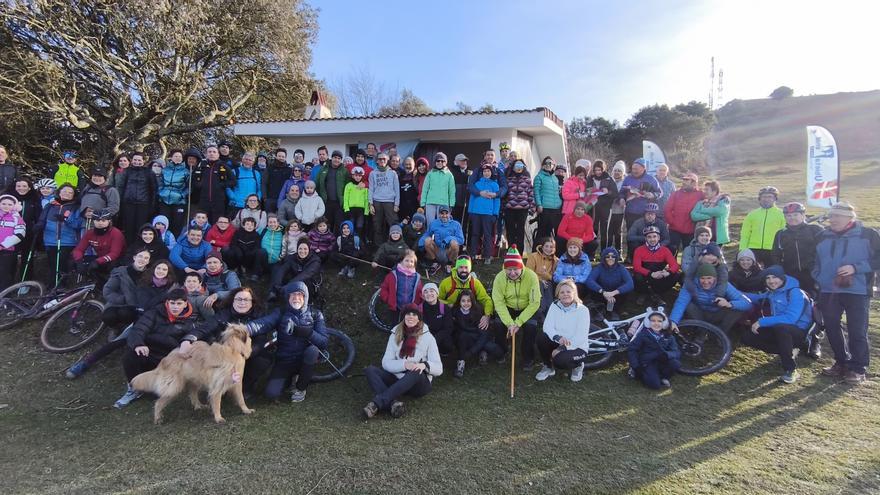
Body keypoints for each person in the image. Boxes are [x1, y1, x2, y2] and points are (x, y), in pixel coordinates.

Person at [66, 253, 177, 379]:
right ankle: (85, 363)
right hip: (142, 321)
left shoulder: (172, 287)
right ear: (153, 269)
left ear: (168, 272)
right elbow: (144, 305)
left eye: (164, 269)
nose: (161, 271)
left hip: (161, 323)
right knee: (116, 342)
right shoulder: (144, 284)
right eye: (158, 268)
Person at [813, 202, 879, 384]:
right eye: (831, 216)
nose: (832, 219)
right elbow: (815, 260)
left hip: (857, 291)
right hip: (829, 290)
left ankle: (858, 368)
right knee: (832, 327)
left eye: (837, 216)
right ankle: (841, 362)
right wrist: (818, 276)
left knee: (857, 330)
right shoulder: (822, 236)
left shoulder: (868, 235)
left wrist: (855, 268)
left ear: (850, 218)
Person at [114, 288, 209, 408]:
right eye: (172, 303)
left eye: (179, 303)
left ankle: (153, 386)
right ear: (167, 302)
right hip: (147, 351)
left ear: (185, 304)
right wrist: (139, 344)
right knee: (130, 356)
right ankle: (133, 389)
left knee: (156, 393)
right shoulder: (154, 313)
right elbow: (139, 329)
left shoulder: (191, 323)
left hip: (167, 359)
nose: (175, 307)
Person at [245, 281, 328, 402]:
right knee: (271, 394)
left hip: (304, 361)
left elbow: (324, 342)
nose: (296, 298)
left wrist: (309, 333)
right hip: (284, 361)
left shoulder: (316, 314)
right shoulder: (280, 312)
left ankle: (301, 388)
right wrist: (245, 329)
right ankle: (290, 379)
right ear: (288, 297)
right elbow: (263, 323)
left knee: (313, 351)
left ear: (305, 297)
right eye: (292, 295)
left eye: (300, 295)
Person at [362, 304, 442, 420]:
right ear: (403, 316)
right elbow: (386, 362)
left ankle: (377, 403)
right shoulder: (395, 334)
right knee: (370, 370)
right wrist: (404, 364)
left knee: (416, 369)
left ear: (419, 318)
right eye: (408, 314)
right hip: (398, 377)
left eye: (414, 314)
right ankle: (393, 404)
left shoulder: (428, 337)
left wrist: (423, 365)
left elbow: (439, 368)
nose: (411, 317)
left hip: (418, 384)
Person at [741, 265, 814, 384]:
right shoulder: (773, 292)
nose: (771, 281)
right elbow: (756, 298)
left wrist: (761, 321)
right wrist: (732, 291)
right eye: (768, 278)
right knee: (747, 337)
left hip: (799, 332)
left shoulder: (795, 292)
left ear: (782, 278)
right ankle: (789, 350)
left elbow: (791, 318)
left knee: (781, 328)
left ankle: (791, 369)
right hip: (780, 330)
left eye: (774, 277)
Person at [198, 287, 270, 395]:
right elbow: (206, 328)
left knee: (263, 360)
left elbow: (261, 340)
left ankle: (246, 386)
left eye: (246, 300)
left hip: (248, 353)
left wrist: (245, 353)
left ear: (252, 302)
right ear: (233, 301)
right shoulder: (223, 314)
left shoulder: (259, 315)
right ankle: (222, 384)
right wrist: (188, 339)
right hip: (224, 353)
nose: (242, 302)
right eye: (238, 299)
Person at [491, 246, 542, 370]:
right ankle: (502, 351)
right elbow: (498, 302)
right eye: (509, 269)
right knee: (498, 324)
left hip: (527, 307)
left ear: (521, 267)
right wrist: (509, 323)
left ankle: (527, 358)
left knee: (531, 327)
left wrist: (518, 322)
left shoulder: (531, 276)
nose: (512, 273)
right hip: (508, 307)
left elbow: (535, 302)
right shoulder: (499, 278)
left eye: (515, 269)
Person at [533, 279, 591, 382]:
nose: (565, 294)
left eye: (568, 291)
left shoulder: (583, 310)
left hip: (577, 347)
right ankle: (548, 366)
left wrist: (562, 348)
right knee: (541, 337)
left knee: (560, 361)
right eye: (562, 292)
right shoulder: (554, 306)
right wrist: (557, 337)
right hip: (559, 341)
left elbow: (580, 337)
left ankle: (578, 365)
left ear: (574, 293)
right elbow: (547, 326)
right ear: (558, 295)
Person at [669, 263, 751, 334]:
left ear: (715, 278)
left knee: (737, 309)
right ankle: (701, 331)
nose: (706, 282)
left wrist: (729, 304)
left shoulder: (724, 285)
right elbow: (681, 303)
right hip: (699, 313)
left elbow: (747, 303)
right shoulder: (690, 284)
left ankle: (721, 333)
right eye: (702, 278)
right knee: (688, 305)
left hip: (718, 313)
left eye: (709, 278)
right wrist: (673, 321)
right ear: (698, 278)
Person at [35, 183, 82, 286]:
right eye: (64, 191)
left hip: (67, 241)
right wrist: (38, 226)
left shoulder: (75, 207)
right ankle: (52, 286)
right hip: (50, 240)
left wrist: (66, 220)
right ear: (59, 192)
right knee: (52, 264)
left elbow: (78, 224)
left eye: (70, 192)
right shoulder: (50, 205)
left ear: (74, 195)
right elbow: (42, 219)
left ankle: (61, 286)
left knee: (62, 265)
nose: (67, 194)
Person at [772, 202, 823, 293]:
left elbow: (825, 251)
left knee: (818, 301)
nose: (792, 218)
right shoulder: (780, 234)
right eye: (788, 216)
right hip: (791, 275)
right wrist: (781, 273)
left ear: (803, 215)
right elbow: (776, 255)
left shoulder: (815, 229)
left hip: (814, 274)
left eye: (795, 215)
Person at [451, 289, 501, 377]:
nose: (466, 303)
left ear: (472, 301)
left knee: (497, 351)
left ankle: (482, 351)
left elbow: (483, 335)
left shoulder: (478, 311)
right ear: (459, 302)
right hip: (464, 338)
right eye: (463, 301)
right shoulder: (455, 312)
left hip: (479, 337)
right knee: (463, 336)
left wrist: (471, 352)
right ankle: (461, 363)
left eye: (468, 301)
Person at [627, 308, 681, 389]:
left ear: (664, 323)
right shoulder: (643, 334)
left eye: (659, 321)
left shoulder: (669, 336)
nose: (656, 323)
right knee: (655, 385)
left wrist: (667, 355)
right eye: (653, 321)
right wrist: (636, 366)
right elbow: (632, 349)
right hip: (647, 362)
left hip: (661, 361)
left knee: (675, 363)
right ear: (648, 322)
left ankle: (662, 376)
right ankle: (639, 373)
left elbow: (676, 352)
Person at [71, 208, 125, 280]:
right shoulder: (90, 233)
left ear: (109, 221)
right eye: (97, 220)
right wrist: (79, 261)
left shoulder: (116, 233)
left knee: (112, 265)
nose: (100, 223)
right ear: (93, 221)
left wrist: (97, 261)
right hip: (100, 258)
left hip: (117, 260)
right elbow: (79, 249)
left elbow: (114, 254)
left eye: (103, 220)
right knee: (73, 261)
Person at [115, 152, 158, 243]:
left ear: (143, 161)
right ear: (132, 160)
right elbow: (121, 187)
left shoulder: (149, 172)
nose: (137, 162)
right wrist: (121, 203)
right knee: (128, 227)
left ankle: (139, 247)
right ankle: (128, 249)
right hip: (128, 204)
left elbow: (153, 190)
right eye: (135, 160)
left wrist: (152, 206)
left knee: (140, 227)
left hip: (143, 204)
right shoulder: (127, 171)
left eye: (139, 160)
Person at [632, 226, 681, 303]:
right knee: (638, 276)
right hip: (646, 276)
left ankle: (657, 293)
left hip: (659, 275)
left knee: (676, 274)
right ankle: (643, 293)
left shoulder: (665, 250)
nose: (652, 239)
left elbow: (675, 265)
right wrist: (651, 274)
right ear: (645, 239)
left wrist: (668, 272)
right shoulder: (639, 250)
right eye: (649, 237)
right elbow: (636, 267)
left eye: (654, 236)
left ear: (658, 238)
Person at [739, 186, 785, 267]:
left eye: (770, 197)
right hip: (753, 249)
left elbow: (784, 234)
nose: (766, 199)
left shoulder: (782, 214)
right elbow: (745, 234)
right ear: (759, 198)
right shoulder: (752, 214)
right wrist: (742, 250)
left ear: (775, 199)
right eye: (764, 196)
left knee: (771, 274)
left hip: (773, 250)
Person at [585, 247, 633, 319]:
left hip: (616, 294)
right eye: (607, 256)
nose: (610, 258)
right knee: (592, 289)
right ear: (604, 258)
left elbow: (630, 283)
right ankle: (601, 309)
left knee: (626, 291)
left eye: (613, 256)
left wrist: (614, 292)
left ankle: (615, 311)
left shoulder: (621, 268)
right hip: (602, 293)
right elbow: (589, 280)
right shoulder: (599, 267)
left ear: (616, 258)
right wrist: (603, 292)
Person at [379, 249, 424, 323]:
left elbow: (420, 293)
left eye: (412, 261)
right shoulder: (392, 275)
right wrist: (388, 299)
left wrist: (419, 305)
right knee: (395, 327)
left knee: (409, 328)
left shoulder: (417, 278)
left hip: (411, 309)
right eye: (406, 260)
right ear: (400, 261)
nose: (409, 263)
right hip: (396, 308)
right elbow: (384, 289)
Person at [468, 164, 501, 262]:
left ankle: (487, 256)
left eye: (488, 171)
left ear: (491, 173)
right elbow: (472, 198)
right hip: (476, 212)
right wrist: (470, 211)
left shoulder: (495, 185)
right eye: (485, 171)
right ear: (482, 173)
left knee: (487, 235)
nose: (486, 173)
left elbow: (497, 200)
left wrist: (495, 214)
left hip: (488, 214)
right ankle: (473, 254)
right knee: (475, 234)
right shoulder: (477, 184)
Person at [664, 172, 703, 255]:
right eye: (683, 179)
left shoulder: (700, 194)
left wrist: (724, 197)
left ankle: (686, 268)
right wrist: (671, 222)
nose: (683, 182)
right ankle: (672, 267)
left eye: (686, 180)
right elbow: (668, 209)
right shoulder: (676, 193)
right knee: (672, 249)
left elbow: (712, 198)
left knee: (688, 251)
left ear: (694, 182)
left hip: (691, 230)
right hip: (674, 229)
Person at [621, 158, 662, 234]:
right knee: (631, 233)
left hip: (645, 213)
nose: (634, 171)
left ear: (643, 168)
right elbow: (622, 192)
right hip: (630, 212)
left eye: (636, 169)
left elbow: (659, 193)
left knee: (645, 234)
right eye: (633, 169)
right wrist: (622, 199)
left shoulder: (651, 179)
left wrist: (653, 195)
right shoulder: (628, 178)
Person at [196, 145, 236, 222]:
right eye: (209, 152)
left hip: (218, 202)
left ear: (218, 154)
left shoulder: (223, 166)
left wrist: (221, 185)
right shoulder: (201, 166)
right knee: (202, 224)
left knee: (216, 223)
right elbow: (194, 180)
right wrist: (200, 185)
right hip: (204, 201)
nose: (211, 154)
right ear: (206, 154)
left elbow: (233, 181)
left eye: (214, 152)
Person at [503, 159, 535, 254]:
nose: (518, 168)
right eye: (516, 166)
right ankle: (511, 251)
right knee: (510, 231)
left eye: (520, 166)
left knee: (520, 231)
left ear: (523, 168)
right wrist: (503, 206)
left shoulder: (527, 179)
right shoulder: (508, 179)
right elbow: (504, 194)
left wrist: (532, 207)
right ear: (513, 167)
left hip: (523, 209)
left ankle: (519, 253)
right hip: (509, 209)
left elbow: (531, 194)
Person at [420, 205, 464, 273]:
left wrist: (448, 239)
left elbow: (461, 240)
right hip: (437, 249)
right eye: (442, 213)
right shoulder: (434, 223)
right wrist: (421, 242)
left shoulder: (456, 224)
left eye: (446, 213)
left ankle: (449, 264)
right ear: (439, 214)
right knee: (427, 240)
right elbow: (427, 234)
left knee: (454, 243)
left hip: (449, 252)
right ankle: (435, 262)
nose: (444, 216)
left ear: (449, 213)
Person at [368, 153, 400, 245]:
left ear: (387, 161)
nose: (382, 161)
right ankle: (379, 247)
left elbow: (397, 190)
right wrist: (370, 204)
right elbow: (370, 189)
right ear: (377, 161)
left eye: (384, 159)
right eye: (380, 159)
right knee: (377, 226)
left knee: (393, 225)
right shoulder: (372, 173)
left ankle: (395, 245)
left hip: (390, 202)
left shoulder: (393, 173)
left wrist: (396, 204)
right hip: (377, 202)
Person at [315, 150, 350, 231]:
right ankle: (327, 242)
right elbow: (317, 183)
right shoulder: (323, 169)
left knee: (338, 224)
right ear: (332, 158)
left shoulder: (344, 171)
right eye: (335, 157)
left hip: (339, 202)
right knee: (327, 224)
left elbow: (348, 186)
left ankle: (337, 242)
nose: (336, 160)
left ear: (341, 160)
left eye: (339, 158)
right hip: (326, 202)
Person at [223, 217, 266, 281]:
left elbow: (257, 246)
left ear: (255, 227)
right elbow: (233, 244)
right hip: (238, 255)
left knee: (259, 252)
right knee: (229, 251)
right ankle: (233, 269)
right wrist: (238, 251)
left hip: (249, 257)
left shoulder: (256, 235)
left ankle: (253, 272)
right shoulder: (238, 233)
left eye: (252, 225)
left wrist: (250, 253)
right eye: (247, 224)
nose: (250, 226)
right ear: (243, 225)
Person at [157, 149, 189, 234]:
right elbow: (160, 182)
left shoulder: (186, 171)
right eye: (176, 156)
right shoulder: (165, 170)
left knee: (177, 224)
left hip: (179, 201)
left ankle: (175, 242)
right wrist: (160, 192)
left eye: (180, 156)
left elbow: (189, 186)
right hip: (164, 199)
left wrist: (182, 195)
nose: (178, 158)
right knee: (164, 222)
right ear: (171, 157)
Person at [533, 156, 563, 244]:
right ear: (543, 165)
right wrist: (539, 204)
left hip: (556, 209)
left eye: (550, 163)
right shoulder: (539, 177)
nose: (548, 165)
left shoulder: (555, 178)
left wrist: (560, 203)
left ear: (554, 165)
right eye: (546, 163)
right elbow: (536, 192)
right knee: (542, 233)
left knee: (553, 233)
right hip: (544, 208)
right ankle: (536, 253)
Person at [690, 180, 731, 245]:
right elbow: (693, 216)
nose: (704, 192)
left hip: (716, 236)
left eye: (707, 190)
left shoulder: (723, 201)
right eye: (704, 190)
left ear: (714, 192)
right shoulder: (701, 203)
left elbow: (719, 211)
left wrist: (702, 210)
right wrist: (711, 216)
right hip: (701, 237)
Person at [588, 160, 617, 249]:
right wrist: (590, 192)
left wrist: (608, 192)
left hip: (606, 207)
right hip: (593, 207)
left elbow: (615, 193)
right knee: (593, 229)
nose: (598, 172)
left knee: (605, 230)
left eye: (599, 170)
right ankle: (592, 251)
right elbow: (586, 190)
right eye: (596, 170)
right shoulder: (590, 178)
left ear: (603, 169)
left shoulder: (609, 178)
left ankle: (604, 251)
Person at [420, 282, 455, 357]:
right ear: (423, 296)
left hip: (440, 335)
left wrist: (435, 339)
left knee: (448, 345)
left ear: (437, 294)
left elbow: (449, 327)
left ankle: (441, 353)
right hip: (426, 335)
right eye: (426, 292)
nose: (429, 294)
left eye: (432, 291)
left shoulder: (445, 308)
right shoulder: (419, 309)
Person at [420, 152, 456, 225]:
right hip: (430, 202)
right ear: (435, 162)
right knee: (430, 224)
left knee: (443, 223)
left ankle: (442, 236)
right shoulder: (430, 173)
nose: (440, 162)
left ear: (445, 162)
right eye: (437, 161)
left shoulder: (449, 175)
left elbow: (452, 190)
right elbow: (425, 189)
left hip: (443, 203)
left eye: (442, 161)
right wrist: (423, 203)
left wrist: (451, 204)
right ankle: (430, 236)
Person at [0, 194, 25, 290]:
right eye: (4, 204)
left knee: (5, 274)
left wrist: (3, 245)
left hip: (7, 250)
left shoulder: (17, 218)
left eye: (10, 204)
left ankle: (5, 297)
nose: (6, 206)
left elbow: (20, 234)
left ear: (14, 206)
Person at [606, 161, 627, 252]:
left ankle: (619, 251)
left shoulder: (625, 182)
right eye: (615, 170)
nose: (617, 172)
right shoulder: (609, 181)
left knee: (618, 232)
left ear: (622, 172)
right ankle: (608, 251)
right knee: (609, 232)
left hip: (620, 211)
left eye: (619, 171)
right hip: (609, 211)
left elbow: (625, 195)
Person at [343, 166, 370, 240]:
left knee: (360, 226)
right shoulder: (349, 185)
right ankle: (350, 240)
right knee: (351, 226)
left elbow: (366, 199)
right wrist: (346, 209)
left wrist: (366, 211)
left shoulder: (364, 186)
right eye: (356, 175)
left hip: (361, 210)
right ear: (352, 175)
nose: (358, 177)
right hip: (351, 209)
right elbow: (345, 198)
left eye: (359, 176)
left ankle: (358, 240)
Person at [264, 148, 291, 213]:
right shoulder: (269, 168)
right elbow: (264, 183)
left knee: (281, 218)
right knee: (270, 219)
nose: (281, 158)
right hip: (271, 198)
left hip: (284, 199)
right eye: (279, 156)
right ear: (276, 156)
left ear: (285, 158)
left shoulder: (289, 170)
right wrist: (265, 197)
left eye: (283, 156)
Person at [398, 157, 421, 222]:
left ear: (414, 165)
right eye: (406, 164)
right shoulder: (400, 177)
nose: (408, 166)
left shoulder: (417, 176)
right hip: (402, 208)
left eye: (410, 164)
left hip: (415, 207)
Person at [450, 153, 470, 225]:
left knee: (464, 223)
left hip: (466, 204)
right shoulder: (451, 172)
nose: (464, 162)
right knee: (454, 223)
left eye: (465, 160)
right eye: (461, 160)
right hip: (455, 203)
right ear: (456, 162)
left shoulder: (470, 173)